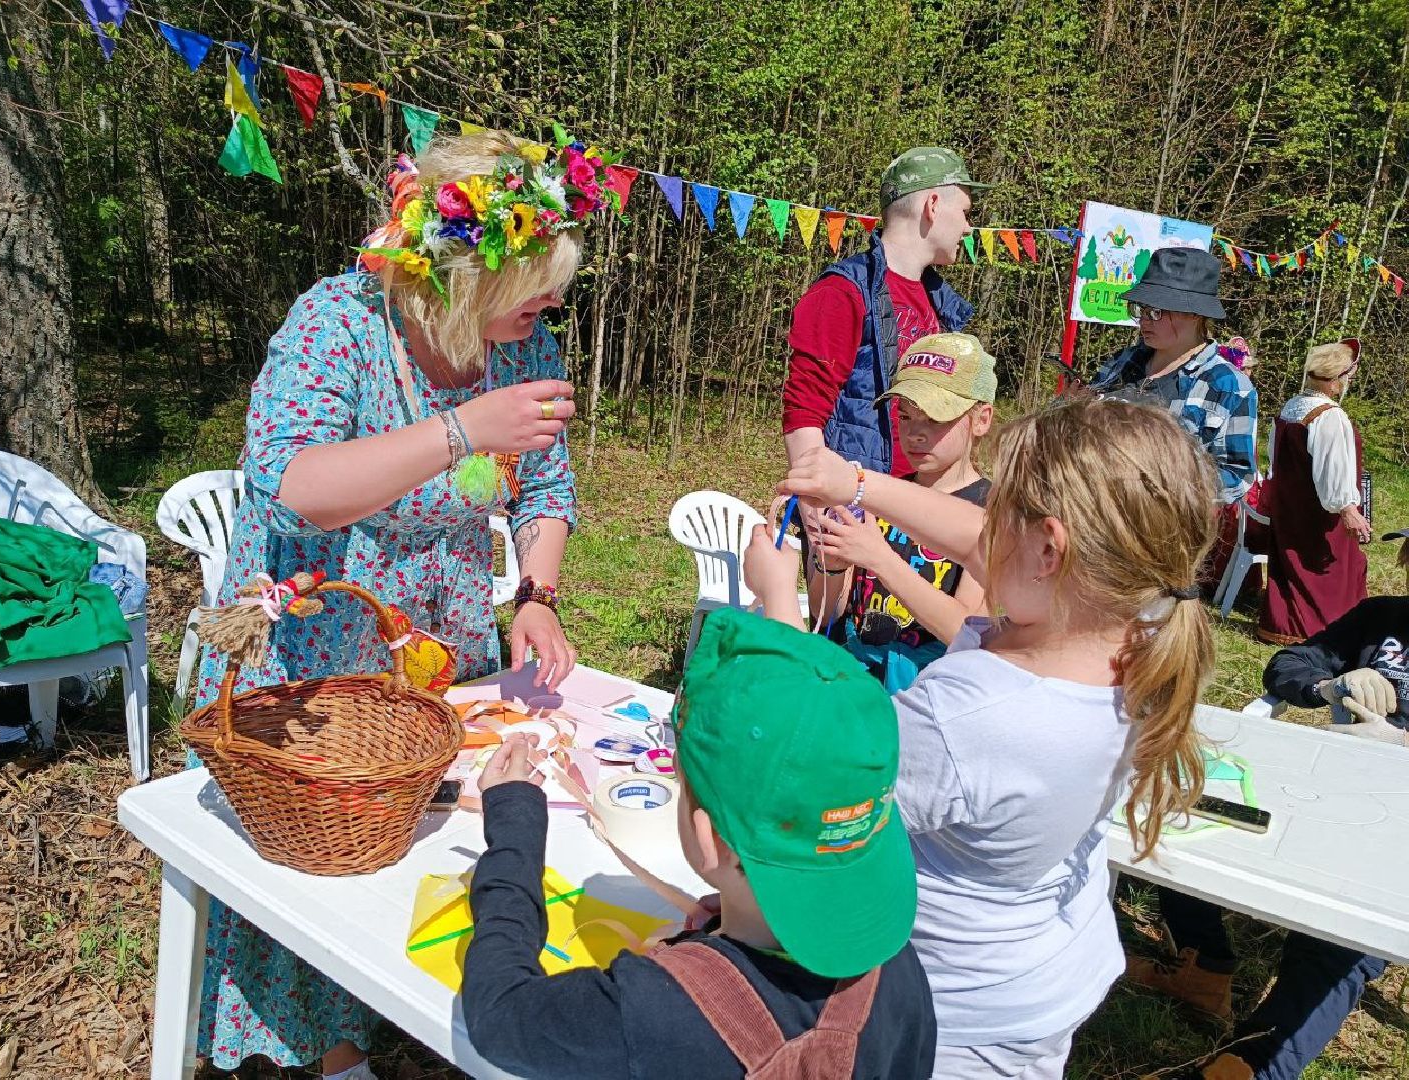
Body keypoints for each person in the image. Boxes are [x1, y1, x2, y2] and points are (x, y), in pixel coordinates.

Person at [188, 129, 608, 1079]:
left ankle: (387, 1015)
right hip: (314, 646)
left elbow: (545, 490)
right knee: (317, 844)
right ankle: (322, 1054)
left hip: (431, 638)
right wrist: (459, 428)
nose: (553, 303)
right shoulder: (337, 322)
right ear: (458, 276)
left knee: (409, 833)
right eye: (533, 281)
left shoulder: (520, 344)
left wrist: (535, 594)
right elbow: (290, 484)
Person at [747, 396, 1219, 1077]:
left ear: (1050, 550)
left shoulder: (971, 717)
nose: (982, 529)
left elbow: (810, 776)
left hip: (947, 1022)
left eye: (1001, 514)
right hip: (1043, 974)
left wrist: (777, 603)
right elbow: (983, 543)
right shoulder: (1140, 628)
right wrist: (854, 482)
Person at [461, 608, 938, 1079]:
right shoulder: (894, 961)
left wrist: (515, 823)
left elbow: (500, 1015)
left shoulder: (654, 1011)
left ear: (710, 839)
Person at [1126, 591, 1404, 1079]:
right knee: (1189, 815)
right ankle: (1203, 965)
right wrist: (1328, 686)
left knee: (1337, 937)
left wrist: (1400, 744)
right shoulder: (1385, 616)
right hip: (1341, 790)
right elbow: (1286, 665)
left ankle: (1253, 1065)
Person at [802, 332, 992, 691]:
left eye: (935, 419)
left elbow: (966, 632)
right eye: (905, 416)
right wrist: (834, 562)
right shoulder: (879, 498)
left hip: (930, 693)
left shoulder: (991, 512)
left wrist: (880, 559)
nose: (916, 433)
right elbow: (827, 613)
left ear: (981, 419)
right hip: (855, 683)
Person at [781, 147, 987, 477]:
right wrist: (819, 502)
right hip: (858, 505)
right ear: (932, 205)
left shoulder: (941, 303)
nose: (968, 228)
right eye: (965, 212)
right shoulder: (842, 292)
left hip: (916, 507)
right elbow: (804, 408)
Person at [1090, 246, 1257, 506]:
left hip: (1162, 532)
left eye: (1155, 312)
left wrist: (1166, 480)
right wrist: (1070, 405)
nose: (1143, 321)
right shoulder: (1121, 362)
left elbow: (1238, 476)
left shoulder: (1229, 386)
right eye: (1140, 310)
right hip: (1094, 514)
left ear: (1194, 315)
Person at [1256, 339, 1370, 644]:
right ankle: (1324, 629)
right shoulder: (1330, 416)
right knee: (1333, 569)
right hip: (1319, 515)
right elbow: (1333, 469)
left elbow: (1275, 459)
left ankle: (1284, 625)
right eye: (1347, 377)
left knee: (1293, 568)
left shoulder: (1292, 406)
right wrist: (1348, 510)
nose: (1348, 382)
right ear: (1334, 382)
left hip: (1290, 508)